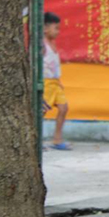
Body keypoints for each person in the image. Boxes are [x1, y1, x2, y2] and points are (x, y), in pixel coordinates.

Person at [43, 12, 71, 150]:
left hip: (55, 82)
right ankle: (35, 141)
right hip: (45, 83)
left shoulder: (52, 43)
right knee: (40, 113)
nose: (58, 32)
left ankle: (57, 139)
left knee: (63, 108)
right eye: (56, 28)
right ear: (45, 28)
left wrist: (59, 81)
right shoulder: (41, 45)